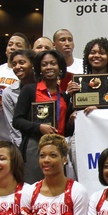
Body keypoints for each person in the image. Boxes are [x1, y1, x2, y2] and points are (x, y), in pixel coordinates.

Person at [13, 49, 74, 182]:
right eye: (44, 64)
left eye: (53, 63)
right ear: (39, 69)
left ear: (60, 68)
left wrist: (71, 121)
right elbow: (17, 121)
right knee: (33, 186)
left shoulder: (64, 95)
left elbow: (67, 129)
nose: (49, 67)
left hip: (58, 146)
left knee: (56, 187)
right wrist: (39, 127)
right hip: (35, 146)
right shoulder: (29, 90)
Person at [0, 48, 36, 152]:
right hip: (22, 144)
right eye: (14, 64)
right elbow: (13, 126)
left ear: (32, 64)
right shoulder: (9, 92)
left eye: (22, 63)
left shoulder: (44, 86)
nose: (17, 67)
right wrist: (21, 148)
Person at [0, 33, 30, 97]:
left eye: (18, 45)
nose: (12, 48)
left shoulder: (29, 75)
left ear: (27, 50)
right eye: (10, 45)